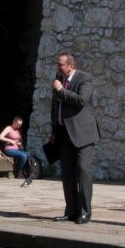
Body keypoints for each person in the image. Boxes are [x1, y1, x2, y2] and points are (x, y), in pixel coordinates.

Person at [49, 53, 101, 224]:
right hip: (64, 134)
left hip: (83, 134)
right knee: (67, 174)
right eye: (57, 64)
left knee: (83, 171)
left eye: (60, 65)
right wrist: (54, 130)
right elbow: (55, 107)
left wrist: (61, 90)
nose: (58, 67)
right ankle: (70, 211)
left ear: (71, 65)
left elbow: (81, 100)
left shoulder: (85, 79)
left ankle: (85, 212)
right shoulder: (58, 80)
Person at [0, 116, 34, 187]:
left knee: (28, 155)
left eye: (20, 125)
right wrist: (10, 140)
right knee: (23, 156)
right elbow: (0, 137)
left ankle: (27, 171)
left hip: (18, 149)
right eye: (18, 124)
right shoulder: (8, 128)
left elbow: (19, 139)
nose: (19, 126)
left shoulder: (18, 130)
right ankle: (19, 172)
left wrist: (20, 142)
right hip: (9, 149)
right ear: (14, 122)